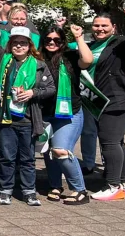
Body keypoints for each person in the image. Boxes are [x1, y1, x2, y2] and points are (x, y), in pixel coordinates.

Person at [0, 22, 55, 206]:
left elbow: (50, 88)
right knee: (7, 157)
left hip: (28, 119)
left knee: (27, 158)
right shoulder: (3, 59)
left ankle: (29, 191)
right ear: (9, 44)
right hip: (6, 117)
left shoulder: (39, 65)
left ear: (29, 45)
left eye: (23, 43)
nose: (18, 46)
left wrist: (33, 93)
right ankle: (5, 190)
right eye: (15, 42)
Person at [79, 10, 125, 200]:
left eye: (104, 25)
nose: (100, 29)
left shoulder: (120, 43)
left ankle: (113, 185)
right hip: (98, 101)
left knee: (109, 142)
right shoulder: (92, 45)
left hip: (119, 99)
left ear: (114, 27)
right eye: (96, 25)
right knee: (117, 141)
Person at [39, 23, 92, 205]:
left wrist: (78, 37)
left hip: (69, 113)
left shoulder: (70, 56)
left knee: (60, 150)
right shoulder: (37, 58)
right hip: (44, 112)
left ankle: (80, 190)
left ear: (62, 42)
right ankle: (55, 185)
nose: (52, 42)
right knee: (48, 152)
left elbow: (87, 60)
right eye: (48, 39)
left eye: (57, 40)